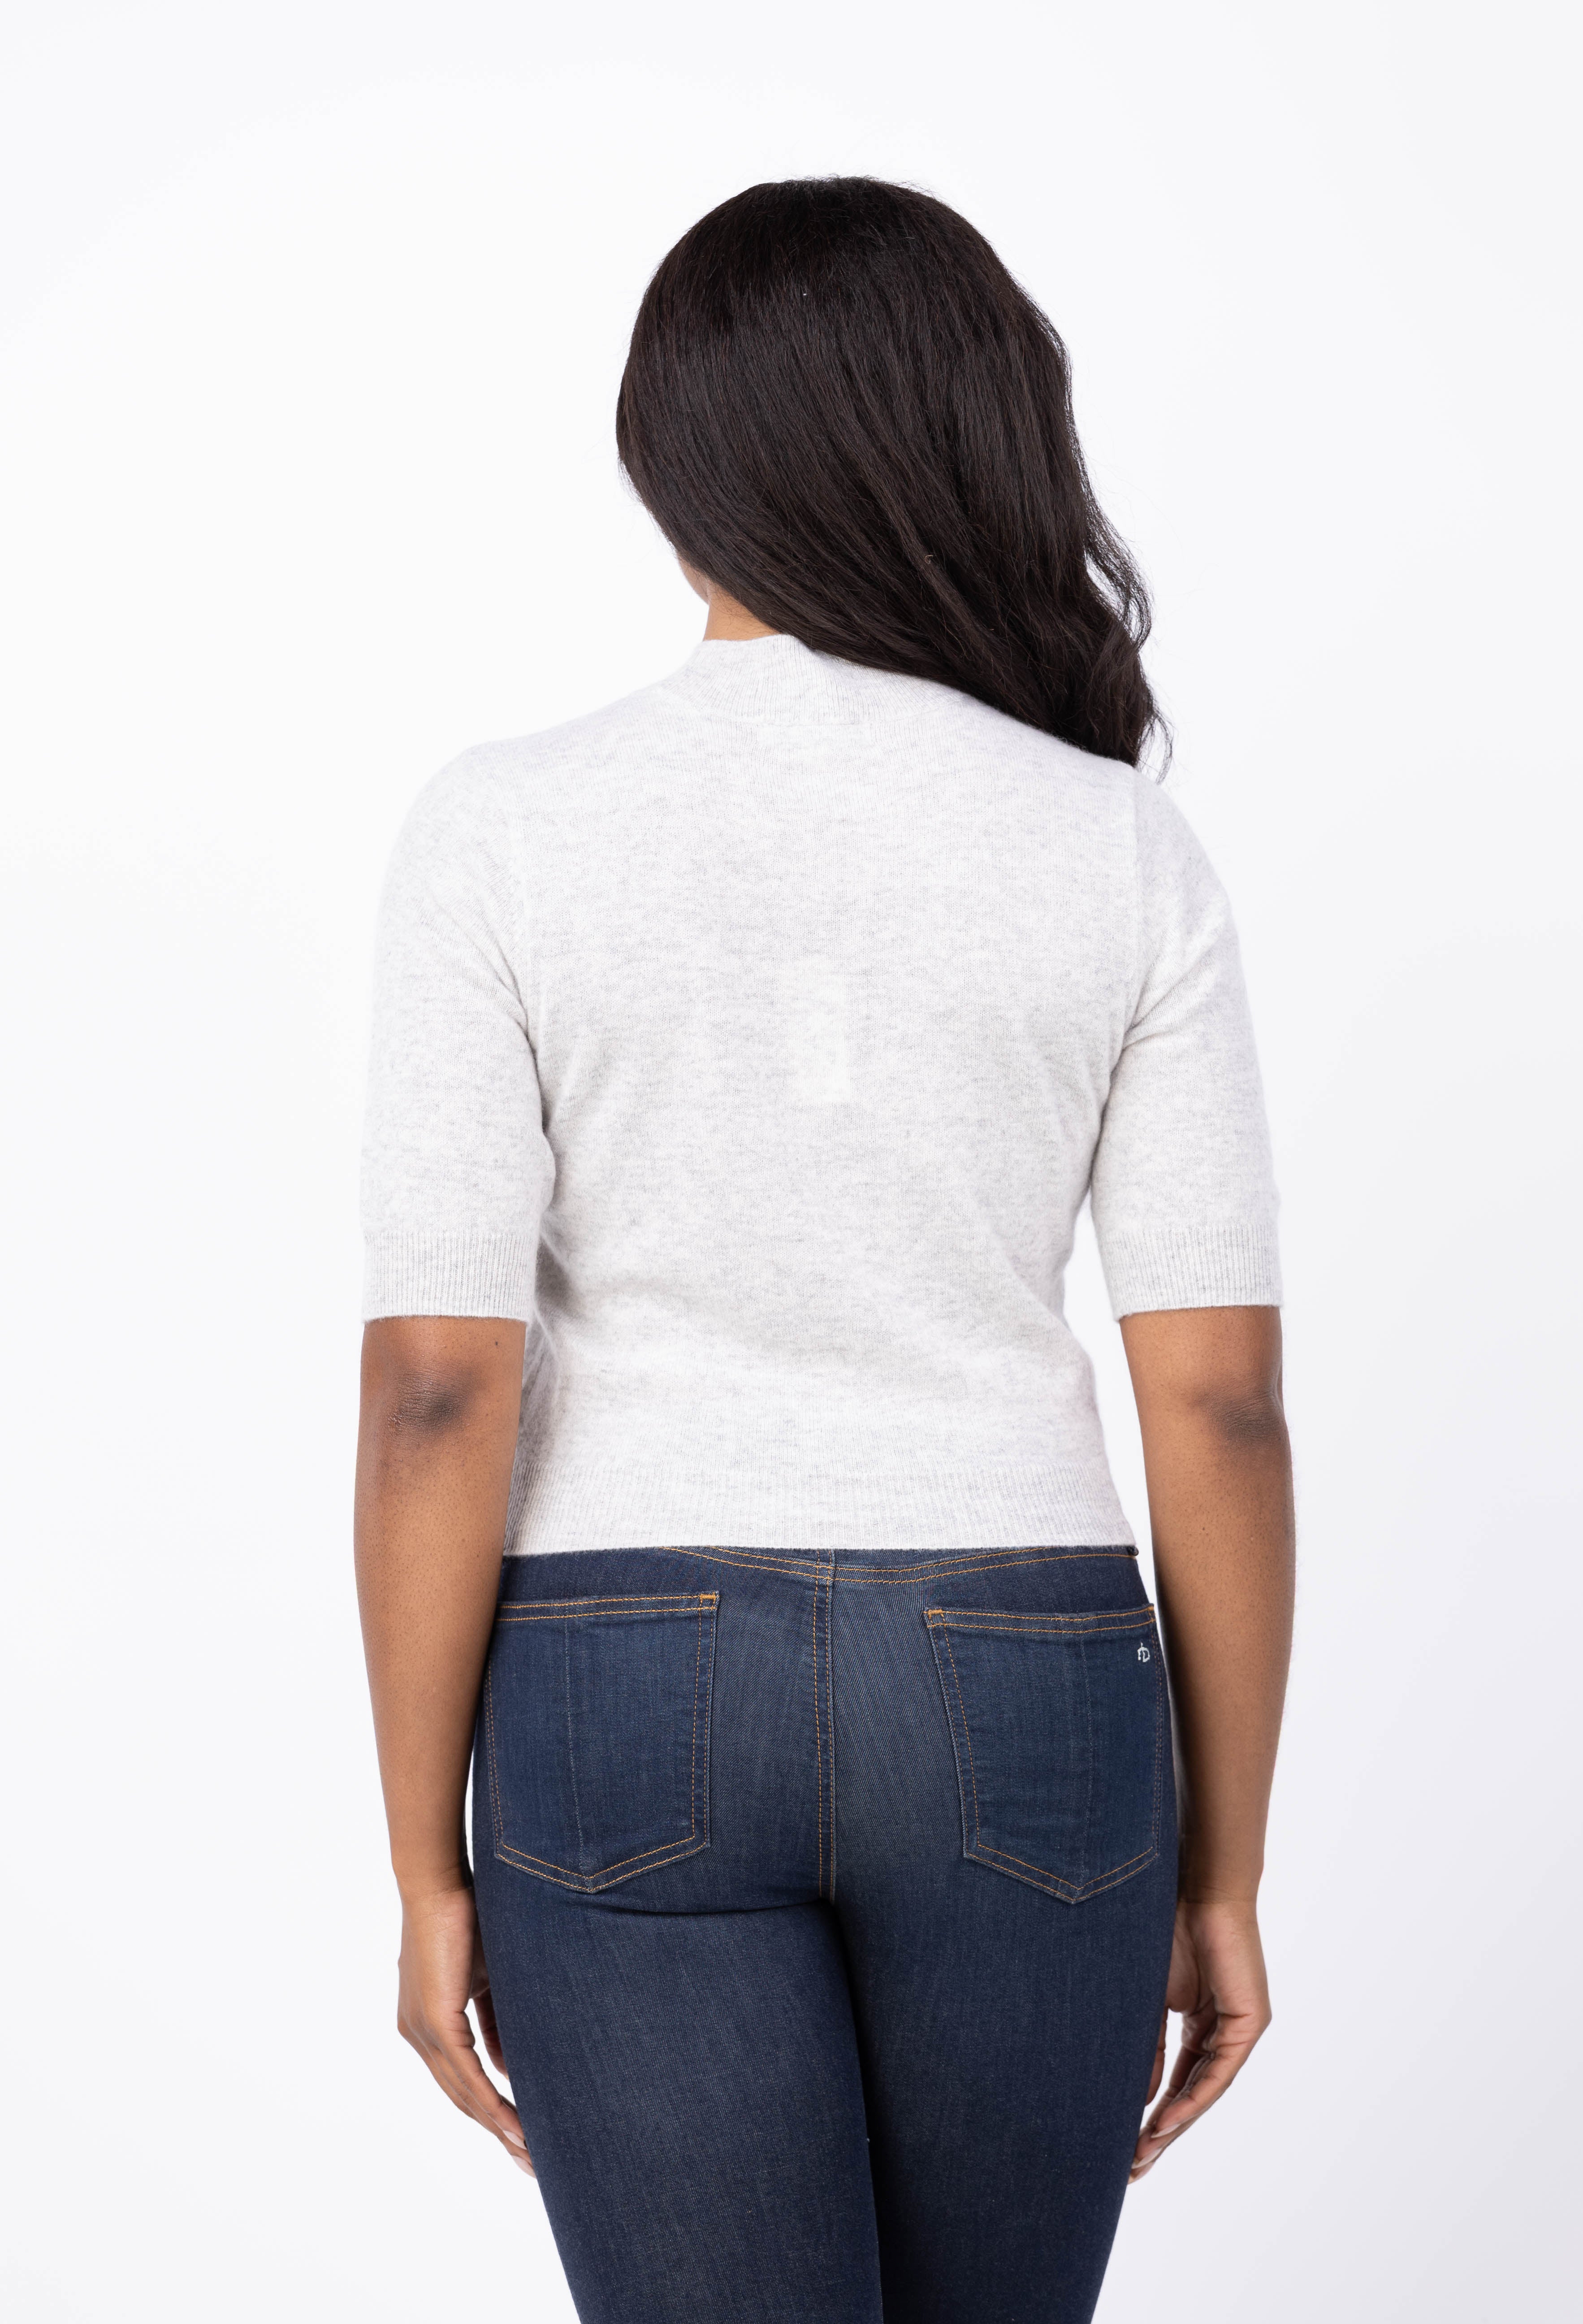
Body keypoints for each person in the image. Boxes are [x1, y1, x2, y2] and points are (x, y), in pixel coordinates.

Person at [355, 176, 1294, 2324]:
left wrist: (424, 1862)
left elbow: (436, 1386)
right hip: (1031, 1678)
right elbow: (1220, 1401)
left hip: (617, 1673)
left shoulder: (500, 831)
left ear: (669, 464)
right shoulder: (1116, 843)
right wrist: (1223, 1865)